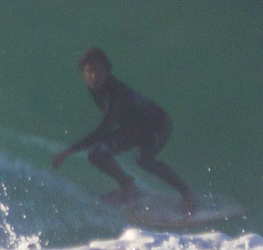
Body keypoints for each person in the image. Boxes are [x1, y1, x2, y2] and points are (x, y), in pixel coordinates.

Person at [51, 47, 198, 214]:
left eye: (98, 71)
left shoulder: (116, 93)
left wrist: (69, 151)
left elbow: (104, 129)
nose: (93, 76)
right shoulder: (96, 88)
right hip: (134, 127)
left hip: (158, 124)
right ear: (83, 73)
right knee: (96, 154)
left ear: (107, 71)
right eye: (89, 71)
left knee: (144, 159)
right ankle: (128, 188)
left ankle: (188, 194)